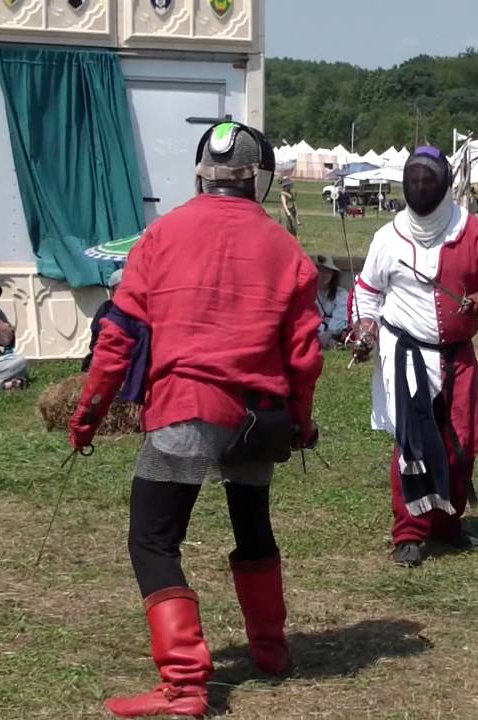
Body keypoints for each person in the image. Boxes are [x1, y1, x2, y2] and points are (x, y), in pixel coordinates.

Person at [69, 122, 323, 718]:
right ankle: (270, 649)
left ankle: (184, 685)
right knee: (252, 526)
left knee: (153, 539)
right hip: (260, 416)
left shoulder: (160, 237)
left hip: (188, 405)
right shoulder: (288, 250)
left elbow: (117, 340)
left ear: (199, 172)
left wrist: (89, 416)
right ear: (259, 180)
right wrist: (301, 425)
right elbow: (305, 357)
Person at [349, 146, 478, 569]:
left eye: (429, 179)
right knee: (412, 444)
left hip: (456, 356)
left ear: (444, 183)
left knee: (460, 443)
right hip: (405, 352)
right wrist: (364, 326)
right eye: (414, 179)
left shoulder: (471, 231)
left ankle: (447, 523)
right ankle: (409, 532)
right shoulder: (388, 238)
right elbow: (368, 291)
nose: (421, 186)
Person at [314, 254, 350, 349]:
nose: (324, 275)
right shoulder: (308, 294)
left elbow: (341, 317)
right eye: (320, 271)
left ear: (333, 274)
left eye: (327, 271)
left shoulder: (341, 294)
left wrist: (328, 334)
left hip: (334, 334)